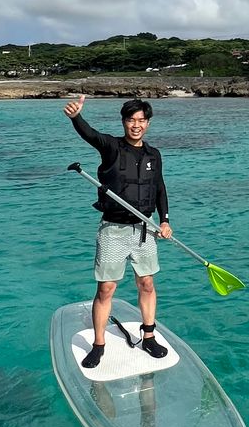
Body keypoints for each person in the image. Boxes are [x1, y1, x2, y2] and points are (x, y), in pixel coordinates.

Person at [63, 94, 173, 367]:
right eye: (131, 120)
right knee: (106, 288)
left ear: (147, 123)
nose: (136, 125)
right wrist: (76, 117)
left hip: (145, 229)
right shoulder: (112, 147)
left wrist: (165, 220)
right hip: (114, 230)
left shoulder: (153, 155)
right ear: (124, 122)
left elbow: (159, 188)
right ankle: (99, 344)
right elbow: (90, 135)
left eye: (141, 120)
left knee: (147, 283)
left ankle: (149, 336)